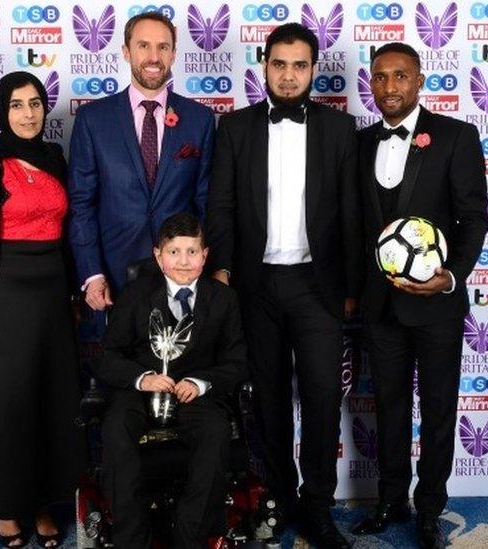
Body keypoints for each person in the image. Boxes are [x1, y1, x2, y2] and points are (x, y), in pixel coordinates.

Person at [204, 22, 361, 548]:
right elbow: (220, 205)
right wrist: (222, 272)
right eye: (279, 64)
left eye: (300, 66)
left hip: (317, 287)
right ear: (264, 64)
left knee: (320, 398)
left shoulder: (341, 130)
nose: (289, 75)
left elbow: (350, 216)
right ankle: (276, 498)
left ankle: (318, 506)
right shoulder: (235, 129)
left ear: (314, 70)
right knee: (266, 400)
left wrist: (351, 287)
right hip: (257, 286)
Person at [349, 43, 488, 549]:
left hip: (437, 305)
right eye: (381, 77)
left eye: (400, 76)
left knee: (437, 407)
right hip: (379, 306)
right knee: (386, 405)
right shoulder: (359, 143)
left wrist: (449, 276)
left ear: (420, 80)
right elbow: (352, 225)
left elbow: (474, 218)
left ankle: (430, 508)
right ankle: (391, 500)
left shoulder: (455, 136)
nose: (390, 87)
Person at [0, 71, 85, 549]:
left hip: (52, 295)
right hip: (3, 294)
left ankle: (46, 505)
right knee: (12, 405)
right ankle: (9, 509)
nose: (28, 114)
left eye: (35, 104)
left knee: (55, 402)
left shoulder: (55, 156)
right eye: (16, 105)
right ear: (0, 111)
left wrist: (73, 294)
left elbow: (69, 234)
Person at [96, 212, 247, 548]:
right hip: (140, 392)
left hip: (195, 395)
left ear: (205, 255)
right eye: (174, 252)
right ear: (158, 256)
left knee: (216, 431)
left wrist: (201, 383)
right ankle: (132, 538)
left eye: (192, 252)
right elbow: (106, 358)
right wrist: (142, 378)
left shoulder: (223, 300)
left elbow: (237, 362)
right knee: (115, 428)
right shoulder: (135, 294)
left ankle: (189, 535)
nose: (183, 261)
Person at [68, 11, 215, 309]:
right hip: (113, 273)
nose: (153, 56)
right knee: (120, 355)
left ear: (173, 54)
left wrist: (204, 268)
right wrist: (92, 272)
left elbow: (206, 201)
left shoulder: (199, 119)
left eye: (163, 47)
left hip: (182, 274)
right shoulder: (92, 119)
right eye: (143, 45)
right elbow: (81, 203)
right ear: (126, 51)